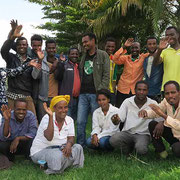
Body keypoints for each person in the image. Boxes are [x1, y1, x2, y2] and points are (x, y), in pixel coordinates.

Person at [30, 95, 84, 175]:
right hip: (41, 151)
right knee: (57, 156)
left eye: (65, 107)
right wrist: (51, 117)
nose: (63, 110)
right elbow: (49, 137)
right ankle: (57, 167)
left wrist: (68, 145)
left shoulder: (69, 120)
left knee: (78, 147)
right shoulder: (46, 118)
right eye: (60, 108)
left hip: (60, 149)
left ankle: (57, 165)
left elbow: (71, 137)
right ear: (54, 108)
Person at [109, 81, 161, 156]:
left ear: (147, 91)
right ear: (135, 90)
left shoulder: (153, 103)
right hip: (128, 132)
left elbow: (159, 120)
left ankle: (137, 148)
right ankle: (128, 151)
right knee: (113, 140)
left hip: (144, 134)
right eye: (139, 89)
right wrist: (115, 120)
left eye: (144, 90)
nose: (141, 92)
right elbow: (119, 119)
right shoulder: (127, 102)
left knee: (141, 150)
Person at [77, 32, 110, 146]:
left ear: (93, 41)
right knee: (81, 121)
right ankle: (80, 145)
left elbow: (106, 75)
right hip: (82, 94)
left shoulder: (103, 55)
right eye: (83, 42)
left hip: (96, 94)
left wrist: (100, 92)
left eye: (86, 41)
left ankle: (96, 144)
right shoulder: (83, 56)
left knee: (97, 122)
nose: (84, 44)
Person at [0, 24, 37, 115]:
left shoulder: (32, 59)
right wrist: (12, 38)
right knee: (9, 122)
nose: (22, 46)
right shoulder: (11, 58)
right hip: (11, 95)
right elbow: (4, 50)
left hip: (27, 96)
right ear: (16, 46)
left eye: (24, 44)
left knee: (33, 122)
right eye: (19, 44)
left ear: (27, 46)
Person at [139, 80, 180, 158]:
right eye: (167, 93)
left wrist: (163, 117)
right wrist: (145, 113)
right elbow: (157, 112)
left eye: (173, 92)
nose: (170, 96)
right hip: (174, 134)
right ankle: (162, 153)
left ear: (179, 93)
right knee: (153, 124)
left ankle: (175, 147)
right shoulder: (166, 101)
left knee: (177, 149)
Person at [112, 38, 149, 107]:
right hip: (122, 89)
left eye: (136, 48)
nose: (134, 50)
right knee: (120, 109)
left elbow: (154, 53)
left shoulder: (143, 57)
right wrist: (124, 47)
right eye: (132, 48)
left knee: (133, 111)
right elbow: (114, 59)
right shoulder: (126, 58)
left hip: (135, 91)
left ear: (140, 49)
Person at [32, 39, 59, 122]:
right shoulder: (40, 61)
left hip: (55, 98)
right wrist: (39, 60)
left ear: (56, 49)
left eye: (53, 48)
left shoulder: (60, 62)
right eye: (49, 48)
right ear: (46, 49)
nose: (51, 50)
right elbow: (35, 76)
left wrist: (57, 64)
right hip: (43, 98)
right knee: (43, 122)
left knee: (55, 122)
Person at [55, 48, 81, 121]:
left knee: (73, 121)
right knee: (65, 121)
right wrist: (61, 63)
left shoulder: (79, 67)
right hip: (66, 100)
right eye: (72, 54)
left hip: (76, 100)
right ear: (68, 55)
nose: (74, 56)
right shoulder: (64, 65)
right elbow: (57, 77)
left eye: (76, 54)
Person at [143, 37, 163, 102]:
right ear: (146, 46)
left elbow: (158, 60)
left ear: (157, 45)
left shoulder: (161, 57)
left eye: (154, 44)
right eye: (150, 44)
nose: (152, 46)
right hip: (146, 93)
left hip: (157, 93)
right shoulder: (145, 59)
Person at [105, 37, 117, 105]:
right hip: (103, 90)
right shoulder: (101, 57)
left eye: (112, 46)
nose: (110, 48)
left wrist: (114, 89)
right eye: (108, 46)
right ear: (105, 46)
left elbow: (114, 76)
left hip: (111, 91)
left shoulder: (114, 58)